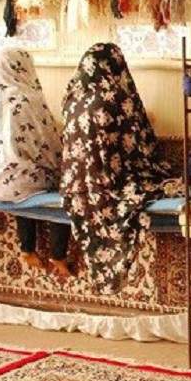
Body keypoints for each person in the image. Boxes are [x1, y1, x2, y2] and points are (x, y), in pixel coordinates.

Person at [61, 42, 174, 294]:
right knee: (154, 182)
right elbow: (139, 146)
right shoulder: (115, 96)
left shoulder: (71, 97)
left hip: (75, 190)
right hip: (111, 184)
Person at [0, 48, 70, 276]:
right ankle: (58, 254)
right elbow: (48, 146)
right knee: (60, 181)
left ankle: (27, 249)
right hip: (19, 182)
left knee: (21, 174)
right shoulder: (27, 99)